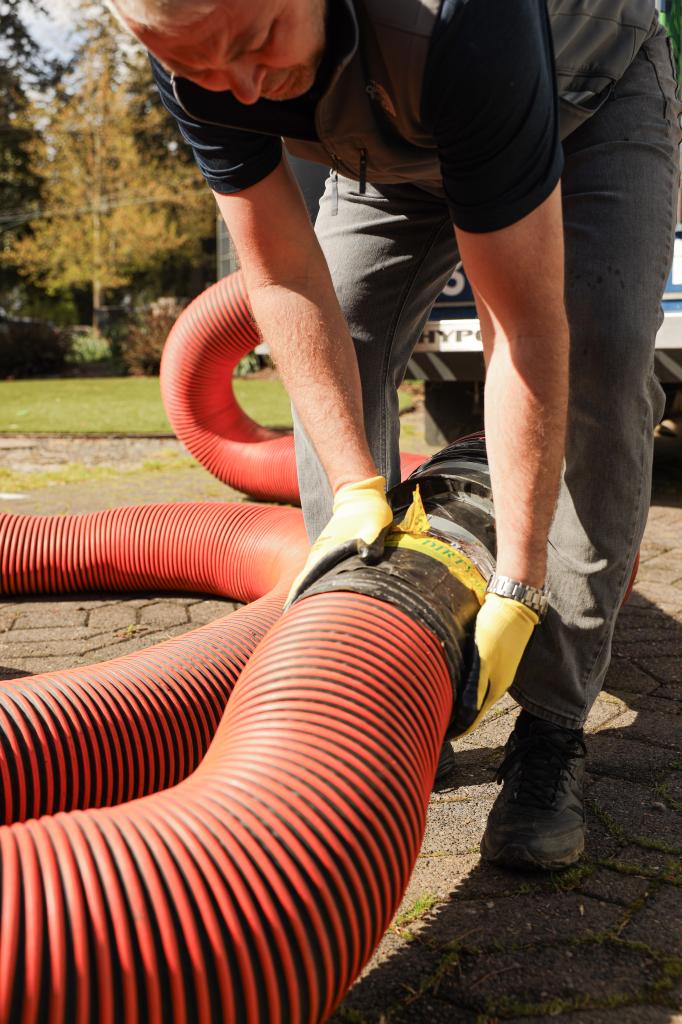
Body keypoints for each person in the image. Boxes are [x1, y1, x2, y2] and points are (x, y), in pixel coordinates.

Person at [111, 0, 681, 870]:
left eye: (260, 44)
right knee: (350, 325)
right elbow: (281, 275)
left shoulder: (461, 22)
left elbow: (522, 330)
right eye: (206, 68)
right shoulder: (207, 53)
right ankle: (383, 673)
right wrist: (353, 491)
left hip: (584, 95)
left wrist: (519, 582)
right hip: (388, 138)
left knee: (597, 359)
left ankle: (554, 724)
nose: (247, 88)